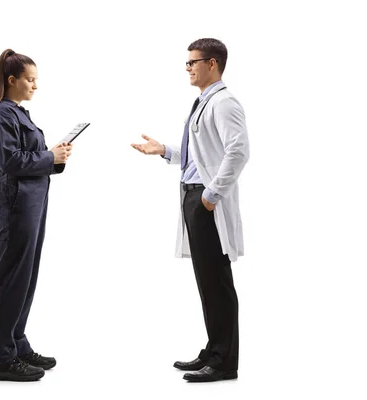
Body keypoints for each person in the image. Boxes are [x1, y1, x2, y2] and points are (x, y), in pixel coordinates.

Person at [131, 38, 249, 383]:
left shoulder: (225, 103)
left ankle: (224, 361)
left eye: (192, 62)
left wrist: (211, 196)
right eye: (187, 63)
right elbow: (203, 155)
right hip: (193, 197)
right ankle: (214, 350)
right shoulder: (203, 102)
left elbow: (238, 152)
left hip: (206, 201)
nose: (188, 68)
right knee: (206, 281)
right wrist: (165, 150)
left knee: (217, 282)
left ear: (212, 63)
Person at [0, 49, 72, 382]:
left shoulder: (19, 113)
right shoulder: (0, 116)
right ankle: (0, 359)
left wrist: (56, 158)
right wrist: (50, 156)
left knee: (26, 277)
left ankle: (16, 344)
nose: (35, 85)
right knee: (11, 279)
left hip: (33, 201)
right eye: (30, 79)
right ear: (12, 80)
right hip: (16, 203)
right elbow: (11, 162)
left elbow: (31, 157)